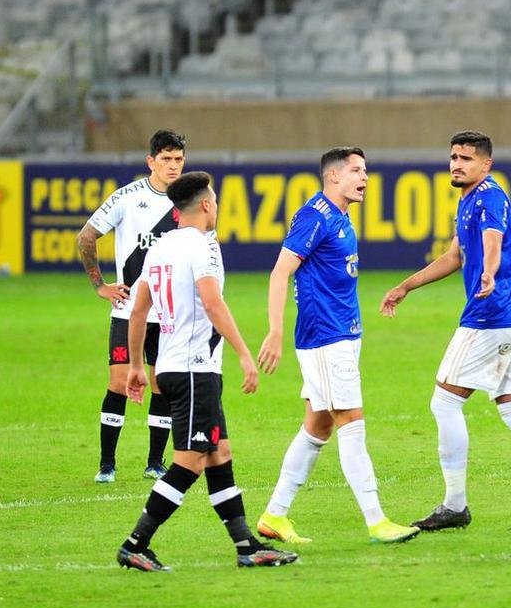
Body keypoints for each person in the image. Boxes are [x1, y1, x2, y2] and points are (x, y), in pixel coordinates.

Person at [379, 131, 511, 532]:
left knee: (444, 403)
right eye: (453, 157)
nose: (456, 164)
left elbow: (492, 242)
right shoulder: (466, 200)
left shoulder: (490, 197)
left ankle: (455, 504)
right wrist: (406, 285)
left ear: (486, 165)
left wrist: (489, 273)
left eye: (465, 158)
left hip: (488, 316)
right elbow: (454, 256)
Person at [116, 171, 297, 571]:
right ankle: (136, 542)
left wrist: (135, 366)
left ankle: (246, 545)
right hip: (195, 369)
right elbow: (213, 304)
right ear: (206, 205)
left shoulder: (159, 249)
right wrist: (245, 354)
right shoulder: (203, 247)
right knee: (191, 459)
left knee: (219, 454)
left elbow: (138, 310)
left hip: (172, 366)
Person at [253, 148, 420, 545]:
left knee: (319, 424)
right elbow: (280, 272)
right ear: (333, 177)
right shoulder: (315, 216)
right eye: (357, 170)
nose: (365, 177)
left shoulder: (342, 215)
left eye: (366, 170)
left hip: (344, 334)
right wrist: (275, 330)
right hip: (325, 337)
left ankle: (274, 514)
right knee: (351, 421)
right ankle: (377, 520)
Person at [77, 129, 186, 484]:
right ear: (150, 161)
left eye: (179, 159)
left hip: (169, 310)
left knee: (161, 384)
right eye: (166, 159)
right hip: (129, 309)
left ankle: (155, 463)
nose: (173, 166)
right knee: (120, 381)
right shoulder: (127, 197)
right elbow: (86, 236)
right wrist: (100, 286)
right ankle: (107, 464)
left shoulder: (188, 201)